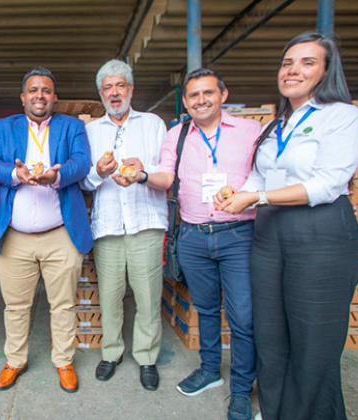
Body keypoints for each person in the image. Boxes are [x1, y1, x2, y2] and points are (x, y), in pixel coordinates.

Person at [215, 32, 358, 420]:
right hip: (270, 236)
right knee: (271, 336)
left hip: (320, 234)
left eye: (307, 62)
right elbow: (259, 175)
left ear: (325, 71)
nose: (293, 70)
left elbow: (327, 183)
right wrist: (240, 192)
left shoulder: (342, 117)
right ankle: (274, 411)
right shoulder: (279, 123)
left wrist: (258, 198)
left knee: (313, 340)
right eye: (287, 62)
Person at [145, 68, 262, 419]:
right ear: (185, 102)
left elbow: (264, 174)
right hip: (194, 235)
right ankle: (210, 370)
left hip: (239, 234)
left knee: (243, 317)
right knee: (207, 309)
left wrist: (246, 194)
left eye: (208, 93)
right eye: (193, 96)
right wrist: (140, 175)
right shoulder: (177, 135)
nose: (201, 100)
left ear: (223, 95)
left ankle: (241, 389)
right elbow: (166, 176)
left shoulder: (250, 131)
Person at [0, 67, 92, 393]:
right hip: (14, 236)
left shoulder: (72, 126)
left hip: (61, 233)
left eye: (46, 90)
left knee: (63, 304)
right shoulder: (5, 127)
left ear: (54, 98)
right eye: (33, 90)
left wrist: (55, 177)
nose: (39, 96)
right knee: (16, 306)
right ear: (23, 97)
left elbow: (81, 162)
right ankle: (15, 360)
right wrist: (16, 175)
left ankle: (64, 360)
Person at [79, 59, 167, 390]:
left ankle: (146, 357)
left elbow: (165, 172)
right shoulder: (91, 131)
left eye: (120, 86)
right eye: (108, 88)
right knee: (110, 296)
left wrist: (143, 171)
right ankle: (111, 353)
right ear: (101, 94)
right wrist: (99, 172)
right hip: (108, 225)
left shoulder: (154, 124)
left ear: (131, 89)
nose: (114, 94)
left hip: (146, 221)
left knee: (147, 297)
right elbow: (84, 183)